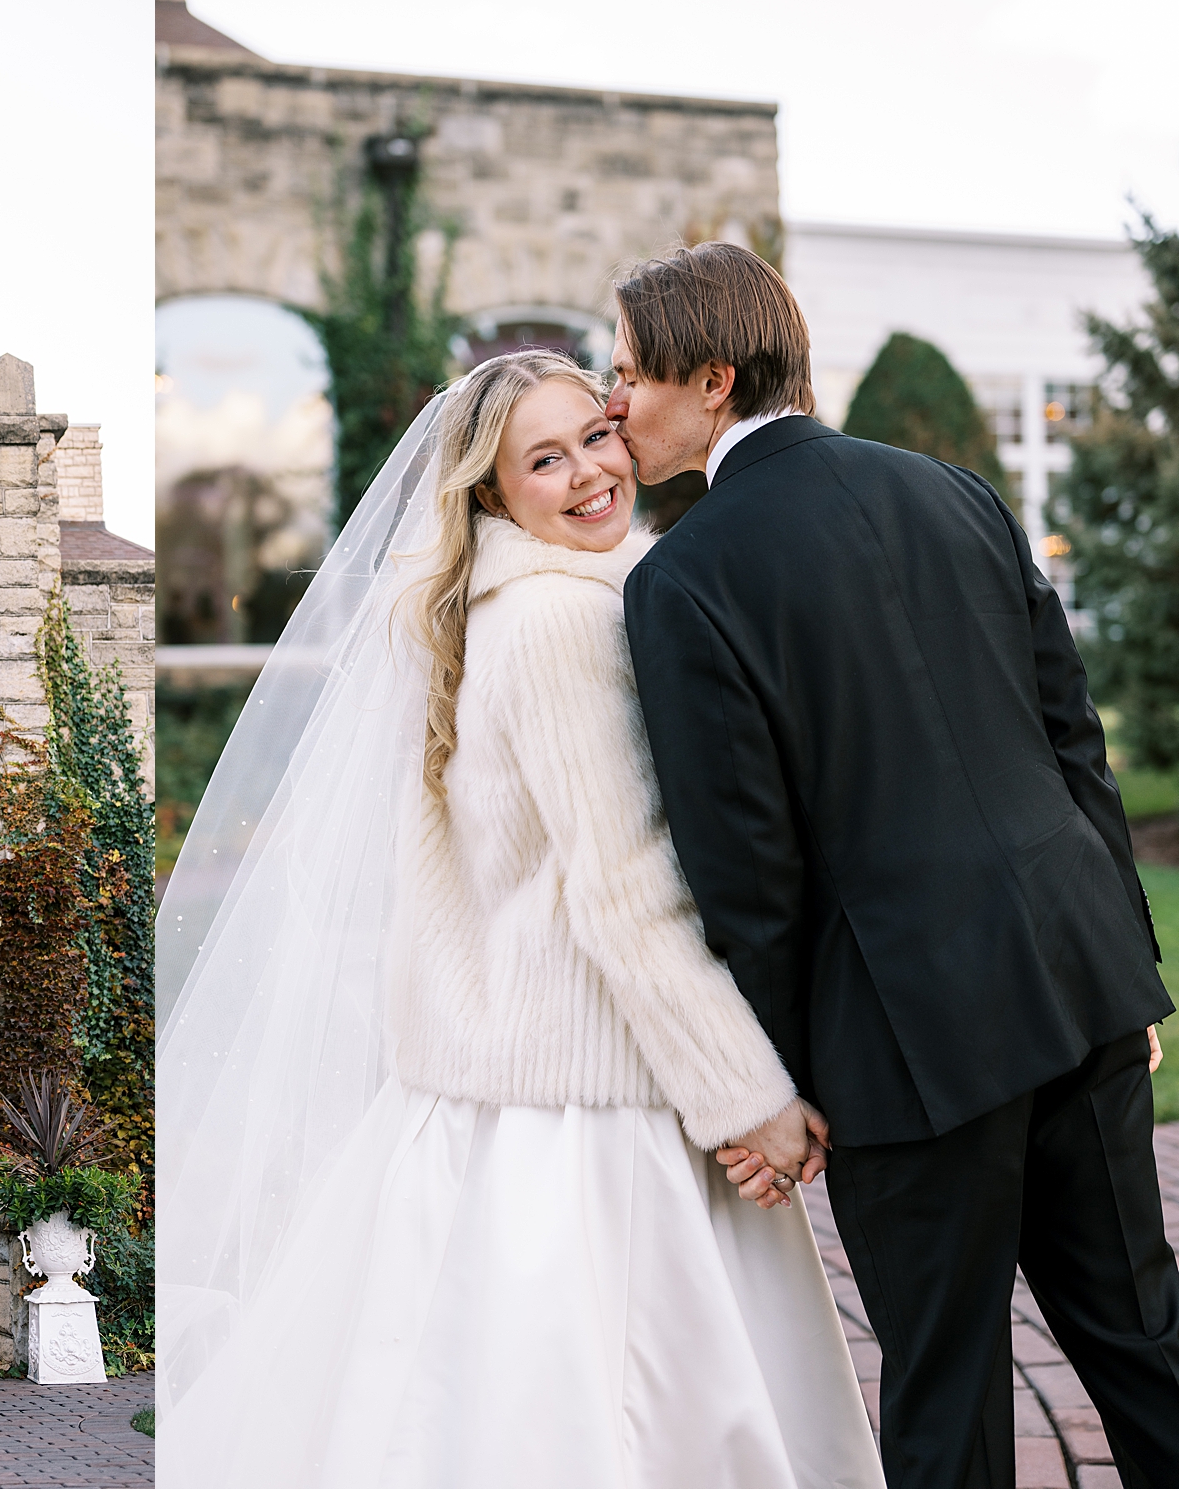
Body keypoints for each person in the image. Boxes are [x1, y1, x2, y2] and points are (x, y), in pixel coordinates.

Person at [155, 349, 882, 1485]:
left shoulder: (523, 600)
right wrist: (751, 1097)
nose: (592, 471)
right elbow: (624, 889)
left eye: (594, 434)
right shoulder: (559, 623)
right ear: (492, 495)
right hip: (594, 1100)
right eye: (543, 460)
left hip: (498, 1082)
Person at [612, 241, 1179, 1489]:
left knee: (943, 1394)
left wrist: (778, 1080)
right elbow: (1068, 738)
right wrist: (1127, 966)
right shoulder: (954, 489)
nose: (612, 405)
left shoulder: (682, 580)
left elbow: (742, 869)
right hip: (1077, 984)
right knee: (1147, 1348)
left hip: (907, 1046)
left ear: (710, 382)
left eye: (626, 376)